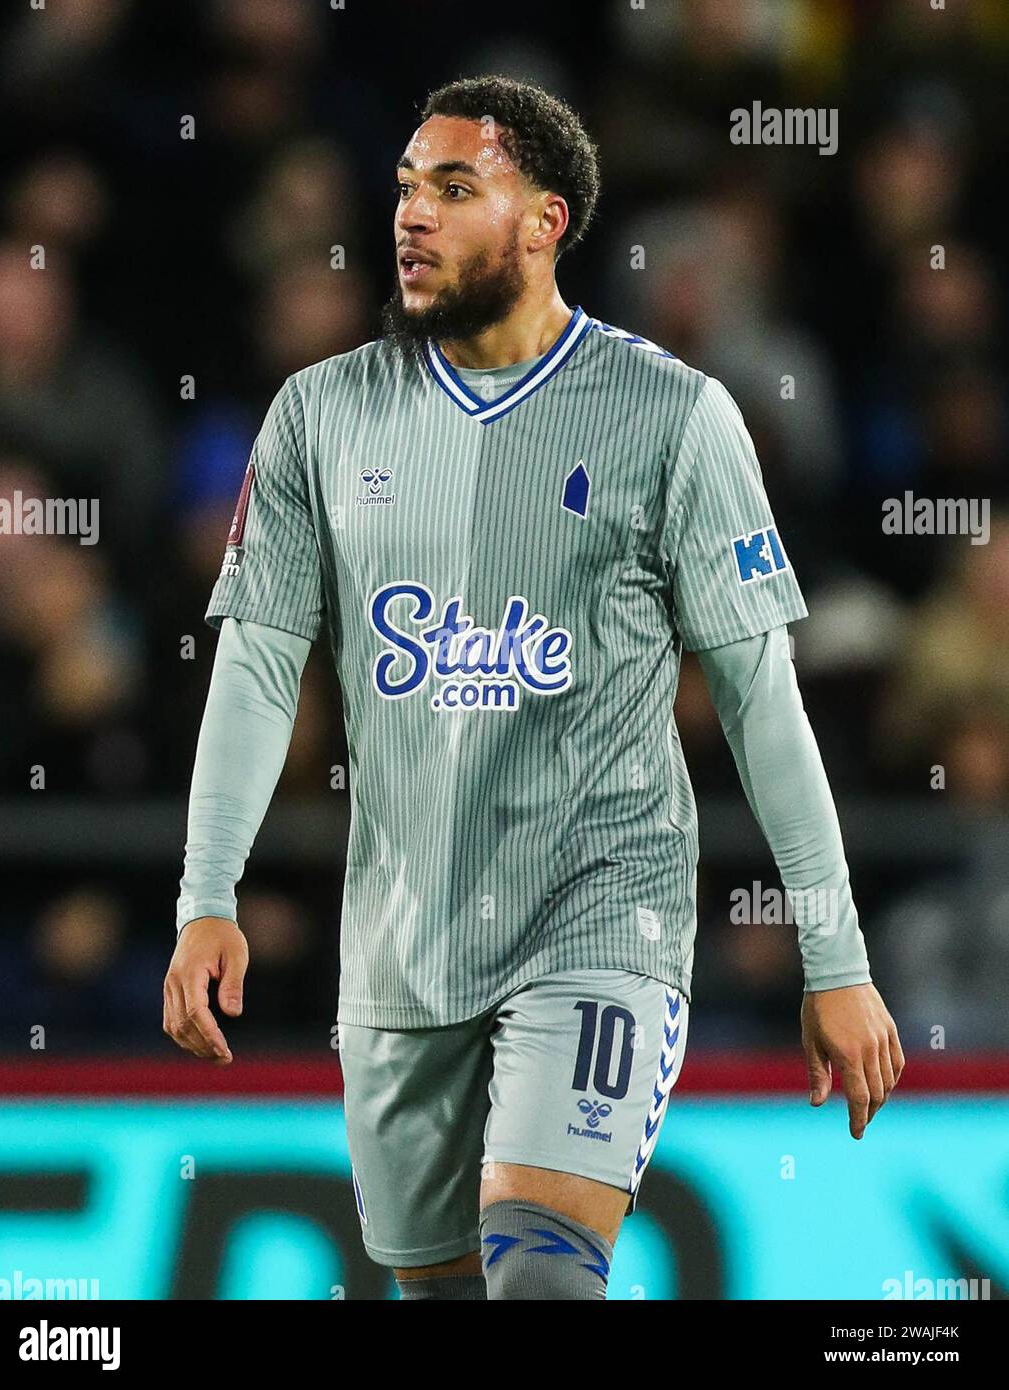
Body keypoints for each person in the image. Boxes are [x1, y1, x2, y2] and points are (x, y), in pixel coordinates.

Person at [164, 75, 903, 1301]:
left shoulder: (672, 416)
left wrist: (834, 954)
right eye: (405, 186)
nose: (411, 214)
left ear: (543, 221)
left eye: (455, 188)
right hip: (400, 946)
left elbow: (760, 692)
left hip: (599, 919)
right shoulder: (318, 418)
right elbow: (252, 666)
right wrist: (206, 893)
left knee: (543, 1275)